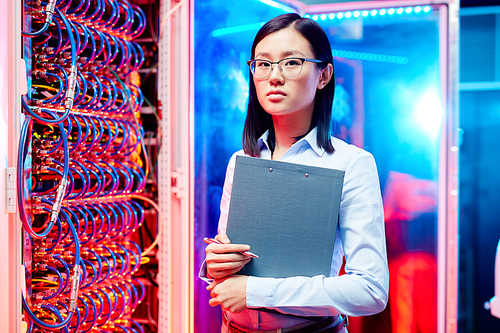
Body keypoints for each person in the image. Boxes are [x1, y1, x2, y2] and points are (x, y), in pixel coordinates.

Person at [201, 13, 389, 333]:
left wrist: (254, 291)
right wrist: (215, 265)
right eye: (263, 64)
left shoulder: (350, 163)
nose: (274, 76)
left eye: (291, 63)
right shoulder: (242, 160)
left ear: (323, 75)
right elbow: (230, 266)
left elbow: (370, 291)